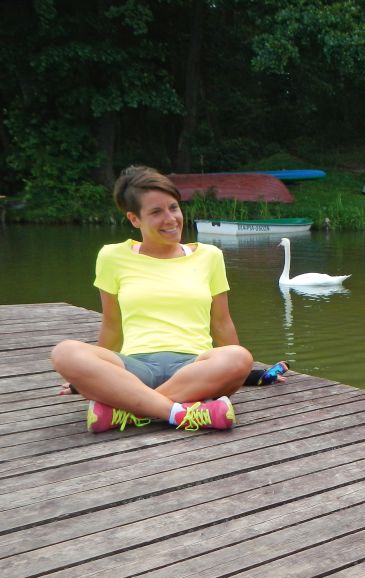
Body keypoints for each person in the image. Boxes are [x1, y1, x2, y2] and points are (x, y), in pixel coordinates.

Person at [51, 166, 253, 433]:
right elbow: (112, 326)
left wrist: (243, 373)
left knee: (239, 357)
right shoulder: (112, 257)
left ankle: (129, 409)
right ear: (135, 219)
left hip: (194, 368)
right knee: (64, 352)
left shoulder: (210, 256)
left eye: (174, 208)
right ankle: (180, 412)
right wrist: (90, 374)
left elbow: (222, 323)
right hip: (135, 367)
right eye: (156, 212)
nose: (170, 219)